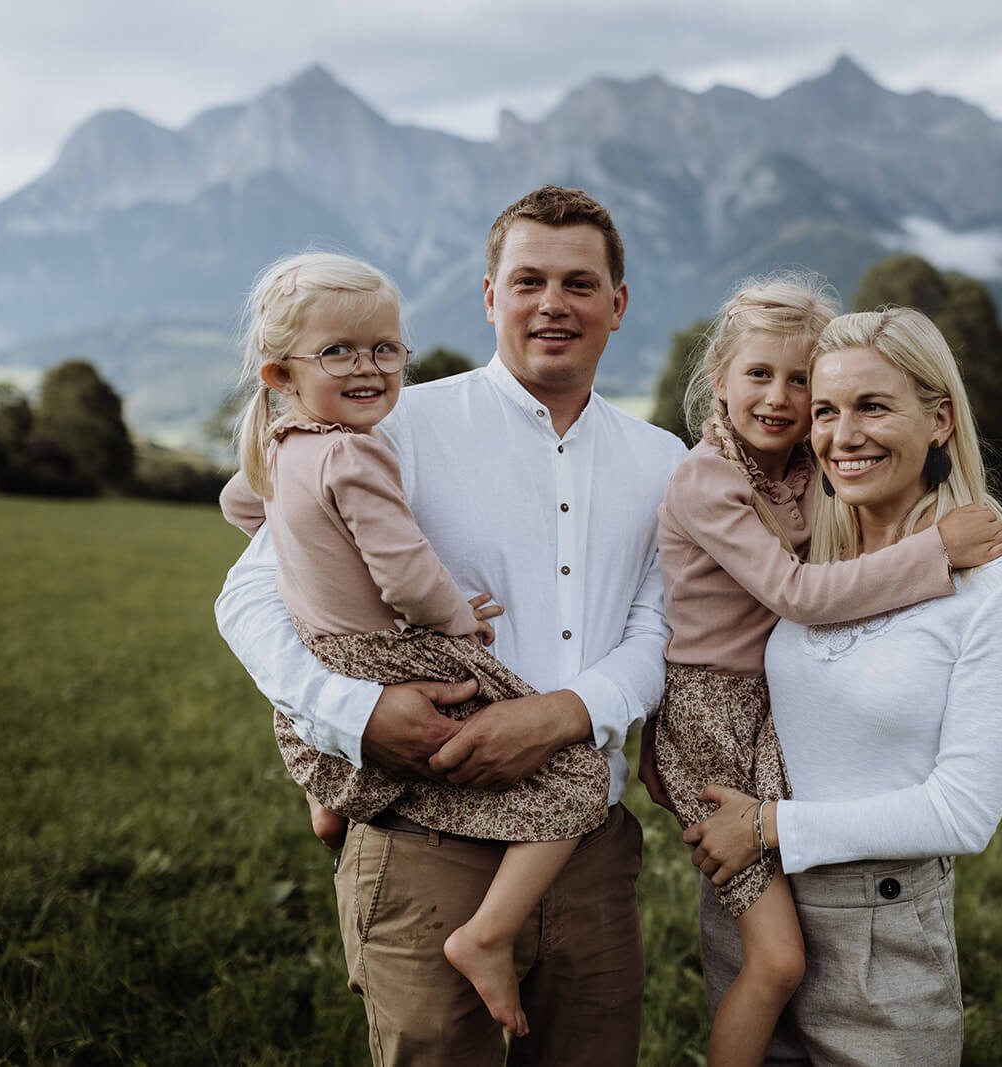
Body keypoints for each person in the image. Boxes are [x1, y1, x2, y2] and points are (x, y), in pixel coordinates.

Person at [215, 186, 687, 1066]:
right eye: (529, 280)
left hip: (583, 854)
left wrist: (563, 714)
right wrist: (353, 714)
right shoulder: (388, 422)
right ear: (489, 296)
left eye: (580, 283)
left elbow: (659, 630)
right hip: (428, 840)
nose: (554, 303)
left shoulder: (666, 461)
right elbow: (247, 598)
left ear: (617, 304)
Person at [641, 277, 1002, 1067]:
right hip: (737, 810)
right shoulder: (767, 510)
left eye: (865, 404)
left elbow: (965, 813)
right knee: (767, 971)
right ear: (719, 379)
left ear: (940, 417)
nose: (836, 431)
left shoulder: (997, 583)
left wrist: (771, 825)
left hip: (873, 916)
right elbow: (796, 598)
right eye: (827, 412)